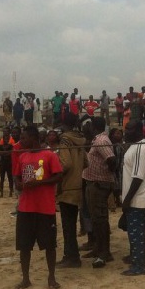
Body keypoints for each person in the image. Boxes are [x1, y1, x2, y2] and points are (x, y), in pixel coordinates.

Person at [13, 125, 63, 289]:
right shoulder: (23, 156)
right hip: (25, 208)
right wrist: (18, 184)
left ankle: (51, 277)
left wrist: (39, 183)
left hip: (45, 208)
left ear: (33, 138)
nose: (21, 140)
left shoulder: (49, 155)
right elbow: (17, 175)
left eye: (24, 137)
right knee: (24, 246)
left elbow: (58, 176)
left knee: (49, 245)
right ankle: (25, 278)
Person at [82, 117, 117, 269]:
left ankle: (105, 252)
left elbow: (111, 159)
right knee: (96, 218)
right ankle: (98, 248)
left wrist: (105, 175)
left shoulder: (101, 140)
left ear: (93, 126)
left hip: (99, 183)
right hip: (94, 182)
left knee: (100, 218)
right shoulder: (97, 139)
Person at [121, 119, 145, 276]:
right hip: (135, 198)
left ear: (140, 130)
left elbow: (138, 177)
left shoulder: (140, 147)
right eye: (126, 129)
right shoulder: (135, 146)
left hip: (138, 198)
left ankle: (139, 266)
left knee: (136, 233)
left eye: (131, 129)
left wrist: (127, 200)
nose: (127, 132)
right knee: (135, 233)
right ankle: (138, 260)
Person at [55, 113, 88, 268]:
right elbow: (86, 162)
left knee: (68, 225)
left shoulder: (65, 140)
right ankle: (72, 256)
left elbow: (65, 164)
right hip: (78, 185)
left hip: (67, 186)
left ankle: (72, 257)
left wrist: (56, 172)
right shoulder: (80, 139)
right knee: (71, 223)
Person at [0, 127, 15, 198]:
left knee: (9, 177)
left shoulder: (11, 142)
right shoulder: (2, 143)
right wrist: (5, 153)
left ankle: (10, 191)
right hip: (4, 162)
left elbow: (11, 152)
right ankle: (2, 191)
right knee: (2, 178)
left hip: (8, 162)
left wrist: (3, 153)